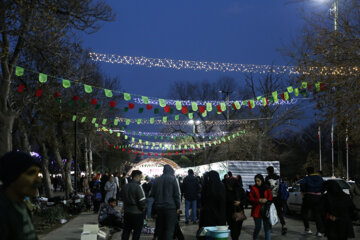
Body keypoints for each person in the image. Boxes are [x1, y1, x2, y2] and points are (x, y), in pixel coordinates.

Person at [0, 151, 42, 240]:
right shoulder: (3, 213)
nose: (38, 180)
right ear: (12, 177)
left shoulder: (21, 206)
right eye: (31, 173)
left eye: (38, 173)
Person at [150, 165, 181, 240]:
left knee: (160, 229)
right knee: (169, 230)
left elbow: (152, 194)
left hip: (159, 208)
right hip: (171, 208)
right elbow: (177, 194)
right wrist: (178, 206)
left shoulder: (157, 180)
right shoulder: (173, 179)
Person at [121, 170, 146, 240]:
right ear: (137, 177)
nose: (141, 178)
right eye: (141, 177)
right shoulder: (138, 187)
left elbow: (121, 198)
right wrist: (143, 208)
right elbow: (142, 201)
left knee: (126, 231)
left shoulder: (125, 186)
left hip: (127, 212)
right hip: (137, 213)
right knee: (136, 232)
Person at [300, 167, 325, 237]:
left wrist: (304, 192)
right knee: (317, 214)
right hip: (318, 197)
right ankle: (319, 231)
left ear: (307, 172)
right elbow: (324, 186)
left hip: (309, 196)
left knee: (304, 212)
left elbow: (302, 185)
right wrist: (321, 193)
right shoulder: (319, 178)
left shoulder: (306, 178)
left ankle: (307, 229)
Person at [249, 174, 272, 240]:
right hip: (256, 211)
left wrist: (266, 200)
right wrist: (258, 200)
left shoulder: (267, 188)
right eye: (256, 181)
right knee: (258, 227)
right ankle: (255, 238)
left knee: (267, 228)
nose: (257, 182)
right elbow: (250, 199)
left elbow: (270, 197)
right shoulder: (253, 188)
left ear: (262, 180)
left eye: (258, 181)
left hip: (266, 210)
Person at [265, 166, 287, 234]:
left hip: (270, 198)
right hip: (278, 197)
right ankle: (283, 225)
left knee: (269, 212)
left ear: (268, 171)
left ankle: (270, 226)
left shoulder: (267, 178)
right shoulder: (278, 177)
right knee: (279, 212)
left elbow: (266, 188)